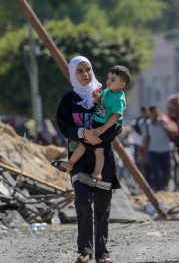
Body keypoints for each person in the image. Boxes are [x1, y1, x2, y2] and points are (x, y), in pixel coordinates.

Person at [56, 56, 120, 263]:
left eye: (88, 70)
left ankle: (102, 253)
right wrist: (83, 133)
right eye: (80, 71)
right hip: (79, 160)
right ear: (73, 75)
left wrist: (98, 134)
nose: (85, 74)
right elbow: (64, 126)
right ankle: (85, 250)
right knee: (83, 202)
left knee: (103, 206)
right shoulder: (68, 100)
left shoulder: (105, 95)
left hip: (103, 161)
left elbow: (117, 123)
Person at [55, 66, 129, 181]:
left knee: (99, 150)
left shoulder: (119, 98)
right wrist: (96, 98)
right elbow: (100, 102)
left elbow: (115, 117)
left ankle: (97, 173)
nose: (109, 81)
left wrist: (103, 129)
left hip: (105, 128)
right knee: (83, 144)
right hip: (96, 125)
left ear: (122, 84)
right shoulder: (107, 91)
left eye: (113, 80)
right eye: (108, 78)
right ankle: (70, 163)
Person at [142, 106, 174, 191]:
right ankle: (158, 190)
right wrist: (144, 153)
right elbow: (146, 139)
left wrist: (163, 124)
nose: (157, 114)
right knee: (156, 172)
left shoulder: (164, 121)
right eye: (155, 112)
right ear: (151, 113)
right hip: (153, 151)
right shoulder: (147, 124)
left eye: (158, 112)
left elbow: (172, 132)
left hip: (165, 150)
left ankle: (165, 188)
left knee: (166, 171)